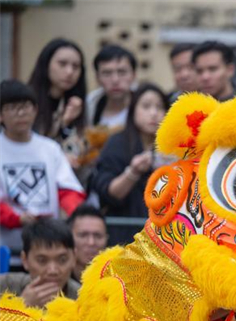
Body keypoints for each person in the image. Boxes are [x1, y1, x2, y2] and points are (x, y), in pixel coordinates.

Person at [0, 80, 85, 252]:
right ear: (1, 115)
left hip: (47, 248)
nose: (21, 113)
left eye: (26, 106)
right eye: (12, 108)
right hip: (7, 249)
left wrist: (72, 211)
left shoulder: (50, 148)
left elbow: (69, 189)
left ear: (35, 110)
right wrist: (16, 218)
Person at [90, 83, 169, 245]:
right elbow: (108, 193)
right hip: (124, 234)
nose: (153, 113)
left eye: (159, 107)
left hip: (165, 235)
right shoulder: (117, 143)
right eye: (146, 106)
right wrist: (132, 172)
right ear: (133, 110)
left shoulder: (173, 147)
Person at [27, 38, 87, 170]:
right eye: (62, 64)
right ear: (46, 64)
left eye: (75, 67)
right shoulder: (26, 101)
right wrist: (63, 122)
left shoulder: (77, 103)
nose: (69, 72)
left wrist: (67, 125)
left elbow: (78, 155)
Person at [0, 218, 80, 307]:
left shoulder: (83, 299)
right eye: (42, 260)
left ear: (74, 258)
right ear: (25, 260)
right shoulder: (5, 286)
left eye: (62, 260)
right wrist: (21, 306)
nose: (52, 271)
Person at [86, 45, 137, 131]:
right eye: (107, 73)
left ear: (133, 75)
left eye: (122, 72)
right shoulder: (89, 106)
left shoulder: (146, 107)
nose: (115, 80)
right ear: (97, 78)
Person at [67, 203, 107, 282]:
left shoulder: (119, 280)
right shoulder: (58, 279)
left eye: (98, 236)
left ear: (106, 239)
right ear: (69, 237)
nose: (91, 242)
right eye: (83, 235)